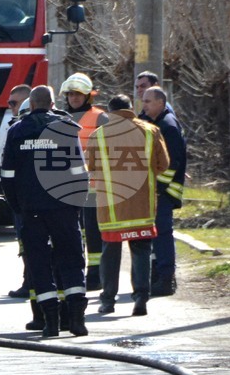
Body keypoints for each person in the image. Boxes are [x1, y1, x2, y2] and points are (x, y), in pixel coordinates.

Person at [1, 85, 89, 338]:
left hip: (31, 209)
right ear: (52, 104)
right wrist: (76, 205)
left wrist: (18, 207)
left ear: (31, 103)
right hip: (63, 207)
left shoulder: (17, 131)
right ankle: (76, 321)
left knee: (39, 264)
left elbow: (7, 176)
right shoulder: (66, 128)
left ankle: (50, 323)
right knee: (71, 259)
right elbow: (79, 172)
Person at [85, 94, 170, 316]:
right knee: (141, 250)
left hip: (111, 207)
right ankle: (141, 297)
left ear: (110, 113)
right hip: (142, 205)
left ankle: (107, 301)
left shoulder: (99, 135)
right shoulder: (151, 131)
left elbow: (91, 167)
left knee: (110, 253)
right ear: (131, 109)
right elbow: (164, 164)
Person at [60, 72, 109, 293]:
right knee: (73, 232)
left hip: (92, 186)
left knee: (92, 231)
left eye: (79, 94)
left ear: (88, 96)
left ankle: (95, 274)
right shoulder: (59, 117)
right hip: (66, 186)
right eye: (71, 94)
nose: (74, 98)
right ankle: (75, 273)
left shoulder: (100, 118)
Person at [141, 86, 187, 297]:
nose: (144, 105)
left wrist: (158, 187)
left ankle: (166, 279)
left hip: (164, 192)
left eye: (148, 101)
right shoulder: (156, 123)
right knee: (156, 235)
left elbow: (172, 162)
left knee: (163, 234)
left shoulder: (168, 125)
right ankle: (160, 277)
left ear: (160, 102)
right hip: (158, 190)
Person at [0, 83, 34, 299]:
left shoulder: (22, 129)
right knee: (26, 242)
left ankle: (31, 282)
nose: (10, 107)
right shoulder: (17, 126)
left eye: (13, 103)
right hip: (27, 198)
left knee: (30, 242)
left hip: (27, 198)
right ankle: (29, 280)